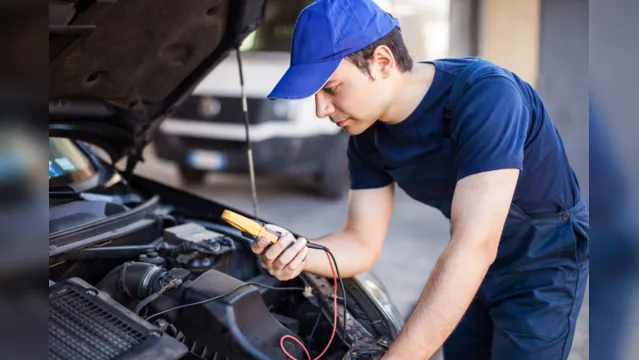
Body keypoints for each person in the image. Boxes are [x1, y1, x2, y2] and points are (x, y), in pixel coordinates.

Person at [252, 0, 589, 359]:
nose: (321, 110)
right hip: (468, 257)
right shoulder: (368, 133)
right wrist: (300, 253)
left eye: (331, 88)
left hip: (544, 260)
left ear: (382, 62)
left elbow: (475, 246)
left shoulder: (487, 96)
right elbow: (360, 241)